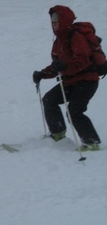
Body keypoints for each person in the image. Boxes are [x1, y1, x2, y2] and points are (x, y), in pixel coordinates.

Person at [32, 5, 101, 151]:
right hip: (71, 80)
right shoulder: (58, 41)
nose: (54, 25)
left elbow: (82, 60)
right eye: (52, 22)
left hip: (87, 80)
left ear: (65, 21)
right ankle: (58, 134)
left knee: (74, 111)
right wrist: (43, 74)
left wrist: (64, 65)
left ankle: (91, 142)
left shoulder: (75, 36)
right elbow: (58, 65)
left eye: (57, 21)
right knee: (49, 100)